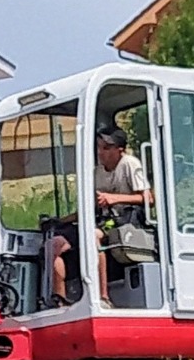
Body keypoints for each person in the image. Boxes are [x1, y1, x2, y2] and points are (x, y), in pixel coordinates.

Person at [51, 127, 151, 303]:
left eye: (106, 148)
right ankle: (59, 300)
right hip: (102, 221)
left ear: (120, 149)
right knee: (56, 243)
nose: (100, 152)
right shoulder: (97, 173)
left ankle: (102, 297)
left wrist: (114, 198)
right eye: (99, 147)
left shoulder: (129, 164)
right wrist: (59, 222)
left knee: (93, 236)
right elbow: (89, 208)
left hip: (124, 221)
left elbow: (148, 199)